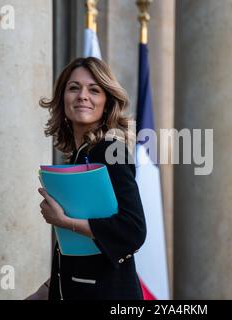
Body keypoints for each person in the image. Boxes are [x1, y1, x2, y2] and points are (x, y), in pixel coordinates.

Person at [36, 57, 146, 300]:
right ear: (62, 98)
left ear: (106, 102)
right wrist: (43, 293)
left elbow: (133, 231)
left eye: (94, 90)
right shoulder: (79, 155)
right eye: (74, 88)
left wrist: (64, 221)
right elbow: (78, 250)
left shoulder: (110, 150)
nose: (82, 95)